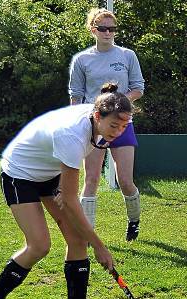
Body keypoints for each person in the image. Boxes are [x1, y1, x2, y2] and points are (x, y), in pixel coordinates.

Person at [0, 83, 134, 299]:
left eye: (124, 126)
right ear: (97, 116)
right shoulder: (72, 134)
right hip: (20, 173)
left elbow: (69, 184)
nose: (118, 132)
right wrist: (100, 246)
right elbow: (72, 200)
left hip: (49, 172)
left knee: (77, 240)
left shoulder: (99, 122)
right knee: (39, 245)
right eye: (114, 125)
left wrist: (64, 192)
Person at [69, 7, 145, 241]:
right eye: (103, 28)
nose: (108, 33)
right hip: (93, 126)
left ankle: (134, 221)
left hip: (122, 123)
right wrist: (78, 121)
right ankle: (86, 234)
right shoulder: (82, 59)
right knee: (90, 179)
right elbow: (76, 95)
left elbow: (138, 88)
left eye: (112, 29)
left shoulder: (127, 55)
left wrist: (118, 104)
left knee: (125, 180)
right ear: (93, 30)